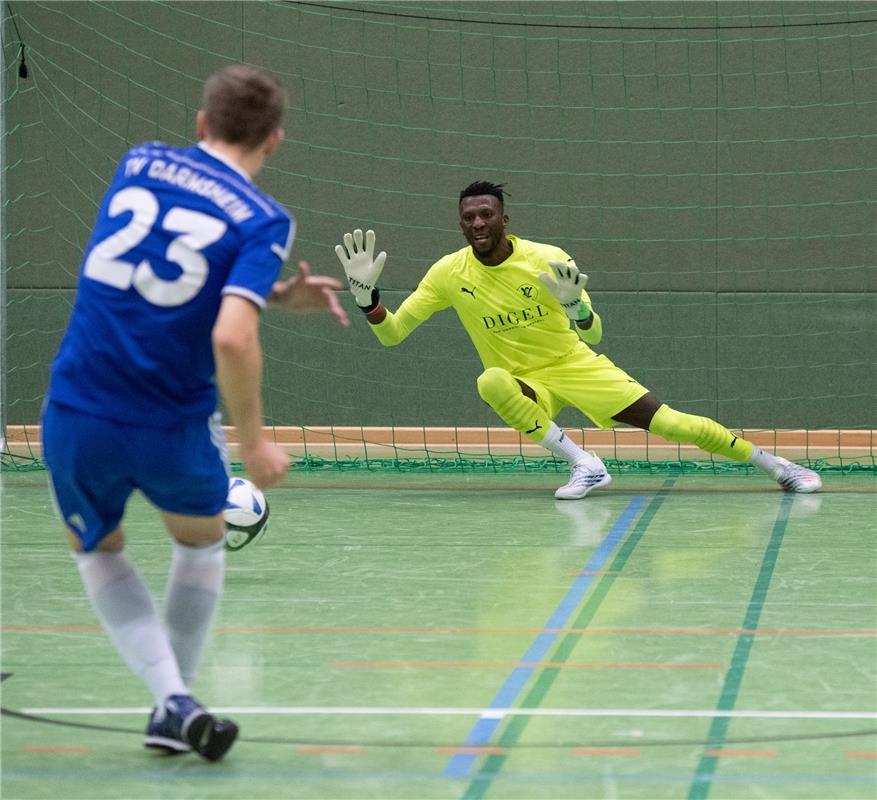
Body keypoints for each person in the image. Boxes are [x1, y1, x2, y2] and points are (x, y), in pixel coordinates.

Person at [41, 64, 348, 762]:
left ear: (202, 124)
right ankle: (171, 704)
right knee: (201, 542)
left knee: (98, 549)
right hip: (166, 424)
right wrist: (255, 442)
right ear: (274, 141)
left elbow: (157, 267)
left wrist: (266, 293)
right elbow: (229, 334)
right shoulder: (263, 219)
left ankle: (170, 704)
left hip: (77, 407)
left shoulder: (139, 161)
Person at [334, 180, 821, 498]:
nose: (477, 223)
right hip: (528, 384)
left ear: (505, 219)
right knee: (491, 381)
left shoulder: (545, 259)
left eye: (486, 214)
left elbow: (595, 331)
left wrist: (577, 307)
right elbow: (393, 334)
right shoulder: (447, 273)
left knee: (676, 425)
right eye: (468, 218)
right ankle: (584, 464)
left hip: (575, 366)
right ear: (460, 224)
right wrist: (367, 300)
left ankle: (776, 466)